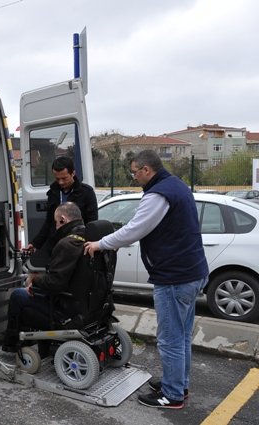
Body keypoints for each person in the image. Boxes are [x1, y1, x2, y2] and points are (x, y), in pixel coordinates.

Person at [84, 150, 208, 409]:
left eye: (134, 172)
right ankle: (178, 384)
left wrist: (101, 243)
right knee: (182, 335)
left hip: (174, 277)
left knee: (170, 339)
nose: (134, 177)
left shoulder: (157, 194)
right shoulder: (176, 185)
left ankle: (172, 395)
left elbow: (134, 230)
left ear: (147, 170)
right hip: (192, 271)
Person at [0, 202, 92, 351]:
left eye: (56, 223)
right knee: (30, 291)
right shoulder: (91, 238)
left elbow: (55, 283)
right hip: (86, 303)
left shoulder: (67, 244)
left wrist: (33, 280)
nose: (56, 227)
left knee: (17, 295)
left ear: (63, 219)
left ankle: (12, 342)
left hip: (66, 308)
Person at [26, 156, 97, 266]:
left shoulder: (86, 193)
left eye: (64, 178)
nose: (60, 182)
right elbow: (49, 222)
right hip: (56, 248)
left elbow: (92, 222)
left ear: (73, 173)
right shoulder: (53, 193)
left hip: (77, 248)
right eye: (57, 178)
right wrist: (35, 244)